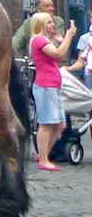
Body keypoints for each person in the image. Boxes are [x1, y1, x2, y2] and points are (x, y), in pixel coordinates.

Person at [31, 12, 77, 171]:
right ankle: (43, 159)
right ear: (41, 24)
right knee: (46, 123)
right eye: (49, 22)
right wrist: (69, 37)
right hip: (45, 86)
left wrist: (61, 40)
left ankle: (44, 153)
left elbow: (59, 56)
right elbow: (59, 55)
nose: (53, 25)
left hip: (53, 86)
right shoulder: (39, 40)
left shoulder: (46, 40)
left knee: (60, 124)